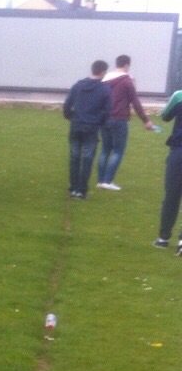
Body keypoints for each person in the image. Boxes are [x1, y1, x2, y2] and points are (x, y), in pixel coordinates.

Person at [98, 55, 157, 191]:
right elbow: (135, 102)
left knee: (105, 150)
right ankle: (108, 181)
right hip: (119, 118)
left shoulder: (105, 80)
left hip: (104, 118)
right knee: (118, 150)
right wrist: (146, 120)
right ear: (126, 65)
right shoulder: (127, 81)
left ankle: (101, 180)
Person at [63, 60, 111, 199]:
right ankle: (81, 190)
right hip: (91, 126)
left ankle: (73, 188)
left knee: (74, 157)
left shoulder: (78, 85)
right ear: (102, 72)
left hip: (76, 124)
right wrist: (100, 122)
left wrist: (70, 116)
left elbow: (67, 105)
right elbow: (107, 111)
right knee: (87, 158)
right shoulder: (104, 89)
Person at [153, 88, 182, 252]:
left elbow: (165, 116)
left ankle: (163, 237)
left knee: (172, 195)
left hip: (179, 149)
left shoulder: (179, 96)